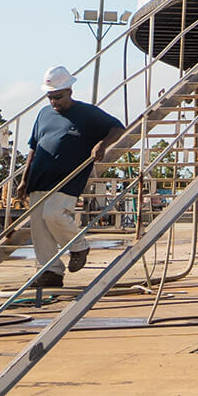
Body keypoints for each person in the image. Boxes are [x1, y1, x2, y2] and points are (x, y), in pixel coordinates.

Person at [15, 66, 123, 287]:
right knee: (39, 226)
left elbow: (117, 128)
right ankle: (50, 272)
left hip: (68, 178)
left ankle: (79, 246)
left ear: (70, 91)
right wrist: (24, 179)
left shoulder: (87, 113)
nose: (54, 102)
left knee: (53, 214)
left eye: (58, 97)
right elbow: (34, 147)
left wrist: (102, 144)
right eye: (50, 97)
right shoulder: (44, 114)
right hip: (39, 177)